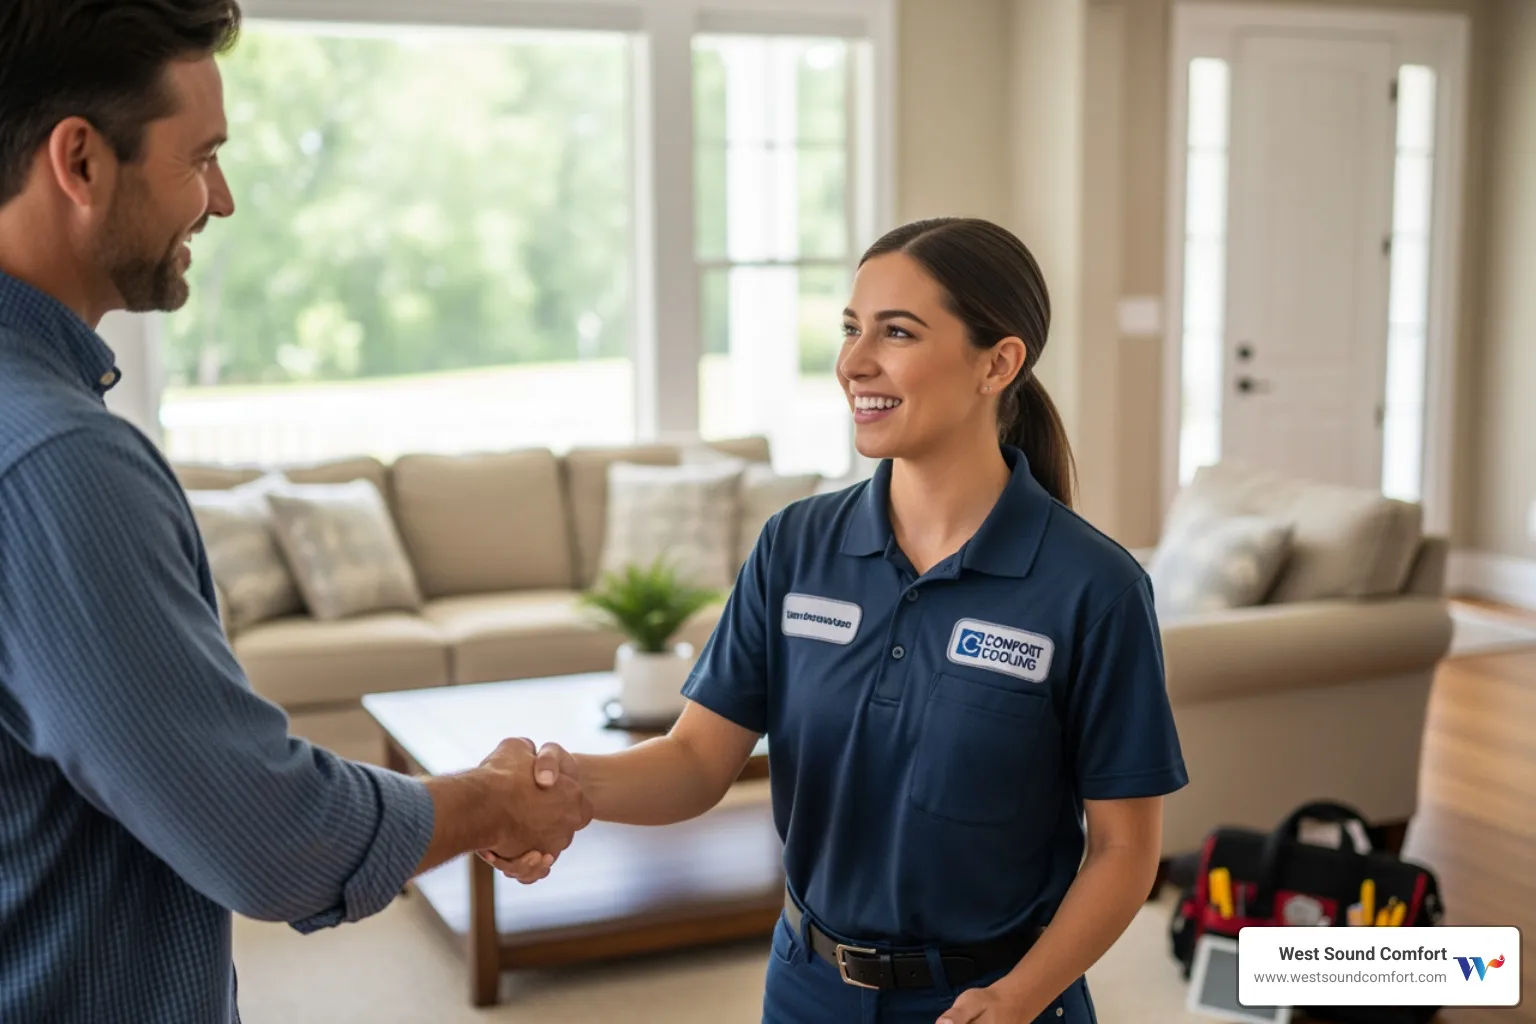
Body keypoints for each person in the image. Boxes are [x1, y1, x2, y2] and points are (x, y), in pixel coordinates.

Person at [0, 3, 586, 1021]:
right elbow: (266, 833)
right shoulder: (59, 461)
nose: (221, 200)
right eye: (201, 158)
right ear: (81, 163)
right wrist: (488, 800)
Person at [490, 217, 1189, 1022]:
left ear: (998, 363)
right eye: (852, 330)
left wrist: (1018, 998)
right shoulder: (796, 547)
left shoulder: (1094, 588)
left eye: (897, 333)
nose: (854, 364)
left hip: (995, 1003)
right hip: (808, 989)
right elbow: (694, 760)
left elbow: (1124, 851)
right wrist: (564, 786)